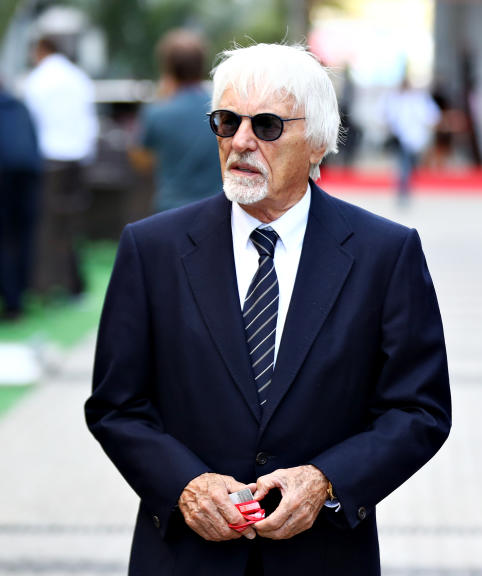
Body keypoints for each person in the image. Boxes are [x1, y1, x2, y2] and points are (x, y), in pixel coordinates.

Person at [85, 43, 452, 575]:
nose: (240, 141)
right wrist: (184, 484)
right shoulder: (153, 249)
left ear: (318, 143)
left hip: (323, 556)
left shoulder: (384, 254)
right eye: (227, 121)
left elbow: (419, 410)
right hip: (185, 558)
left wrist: (327, 481)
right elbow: (116, 405)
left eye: (267, 125)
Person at [23, 35, 99, 297]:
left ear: (41, 49)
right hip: (78, 159)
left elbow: (31, 123)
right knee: (71, 224)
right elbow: (90, 120)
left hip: (49, 159)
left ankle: (44, 286)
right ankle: (74, 285)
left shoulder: (38, 79)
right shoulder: (78, 77)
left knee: (45, 225)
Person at [131, 29, 222, 212]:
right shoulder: (221, 108)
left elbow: (141, 161)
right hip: (218, 208)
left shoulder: (157, 111)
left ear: (167, 68)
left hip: (171, 210)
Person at [0, 83, 42, 320]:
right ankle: (20, 295)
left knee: (5, 239)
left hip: (5, 177)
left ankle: (12, 301)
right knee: (24, 236)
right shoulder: (21, 107)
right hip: (29, 178)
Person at [383, 77, 441, 202]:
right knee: (404, 163)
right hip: (401, 138)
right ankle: (403, 190)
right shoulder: (395, 99)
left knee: (410, 164)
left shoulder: (419, 99)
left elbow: (431, 116)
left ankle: (406, 187)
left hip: (415, 137)